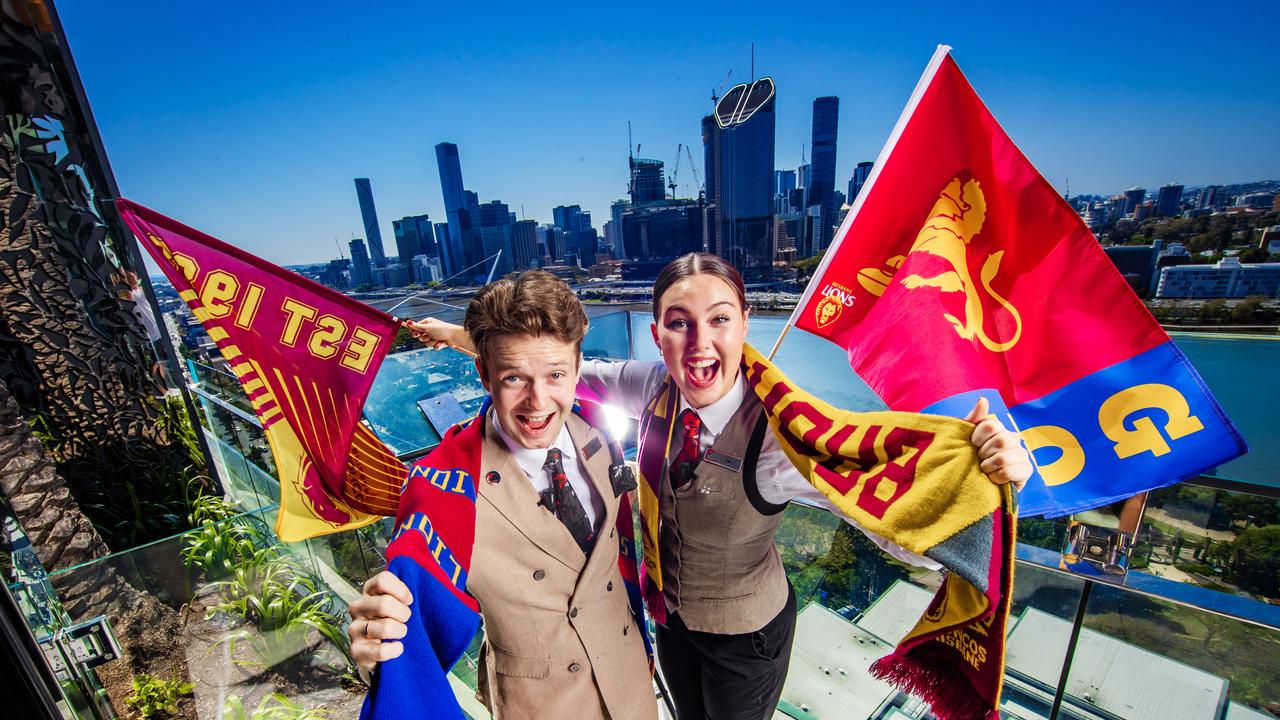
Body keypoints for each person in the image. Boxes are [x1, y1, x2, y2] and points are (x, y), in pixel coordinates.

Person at [370, 253, 1032, 719]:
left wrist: (991, 481)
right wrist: (464, 340)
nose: (698, 342)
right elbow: (561, 370)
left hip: (749, 637)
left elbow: (900, 530)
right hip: (671, 629)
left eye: (718, 319)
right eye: (679, 323)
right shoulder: (651, 386)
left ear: (745, 325)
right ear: (658, 335)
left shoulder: (782, 434)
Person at [351, 271, 657, 720]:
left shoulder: (597, 428)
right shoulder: (444, 490)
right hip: (540, 707)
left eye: (555, 374)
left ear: (577, 370)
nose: (538, 403)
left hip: (632, 681)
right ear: (484, 375)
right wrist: (378, 652)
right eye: (515, 378)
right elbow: (405, 644)